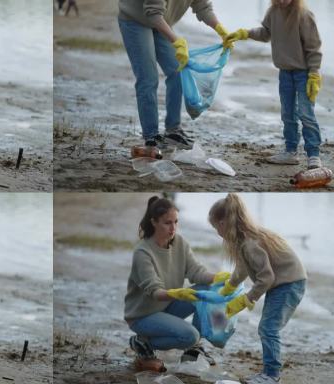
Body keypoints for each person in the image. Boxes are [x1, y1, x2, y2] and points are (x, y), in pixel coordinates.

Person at [208, 194, 307, 384]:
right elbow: (243, 268)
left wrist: (246, 299)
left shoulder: (250, 243)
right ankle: (268, 373)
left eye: (215, 227)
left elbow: (266, 277)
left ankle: (271, 375)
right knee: (267, 328)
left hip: (289, 283)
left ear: (223, 223)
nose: (217, 232)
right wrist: (229, 288)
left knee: (268, 328)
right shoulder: (243, 239)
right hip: (284, 282)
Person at [125, 196, 231, 366]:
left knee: (206, 288)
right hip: (143, 316)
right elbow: (155, 291)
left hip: (167, 307)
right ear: (154, 222)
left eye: (176, 222)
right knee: (189, 335)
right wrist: (179, 293)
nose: (173, 228)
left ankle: (193, 350)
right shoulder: (142, 253)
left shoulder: (179, 243)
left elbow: (196, 272)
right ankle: (143, 342)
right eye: (167, 223)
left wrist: (220, 277)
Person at [118, 0, 232, 150]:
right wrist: (176, 41)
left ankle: (173, 130)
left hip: (160, 21)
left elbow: (203, 7)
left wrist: (222, 30)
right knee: (148, 78)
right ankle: (151, 135)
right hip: (136, 20)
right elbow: (153, 12)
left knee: (178, 71)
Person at [225, 0, 323, 169]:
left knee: (306, 113)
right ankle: (290, 151)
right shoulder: (273, 12)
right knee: (287, 114)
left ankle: (313, 155)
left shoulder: (304, 15)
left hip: (304, 74)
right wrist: (245, 33)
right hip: (284, 72)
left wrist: (314, 73)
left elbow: (314, 47)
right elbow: (265, 33)